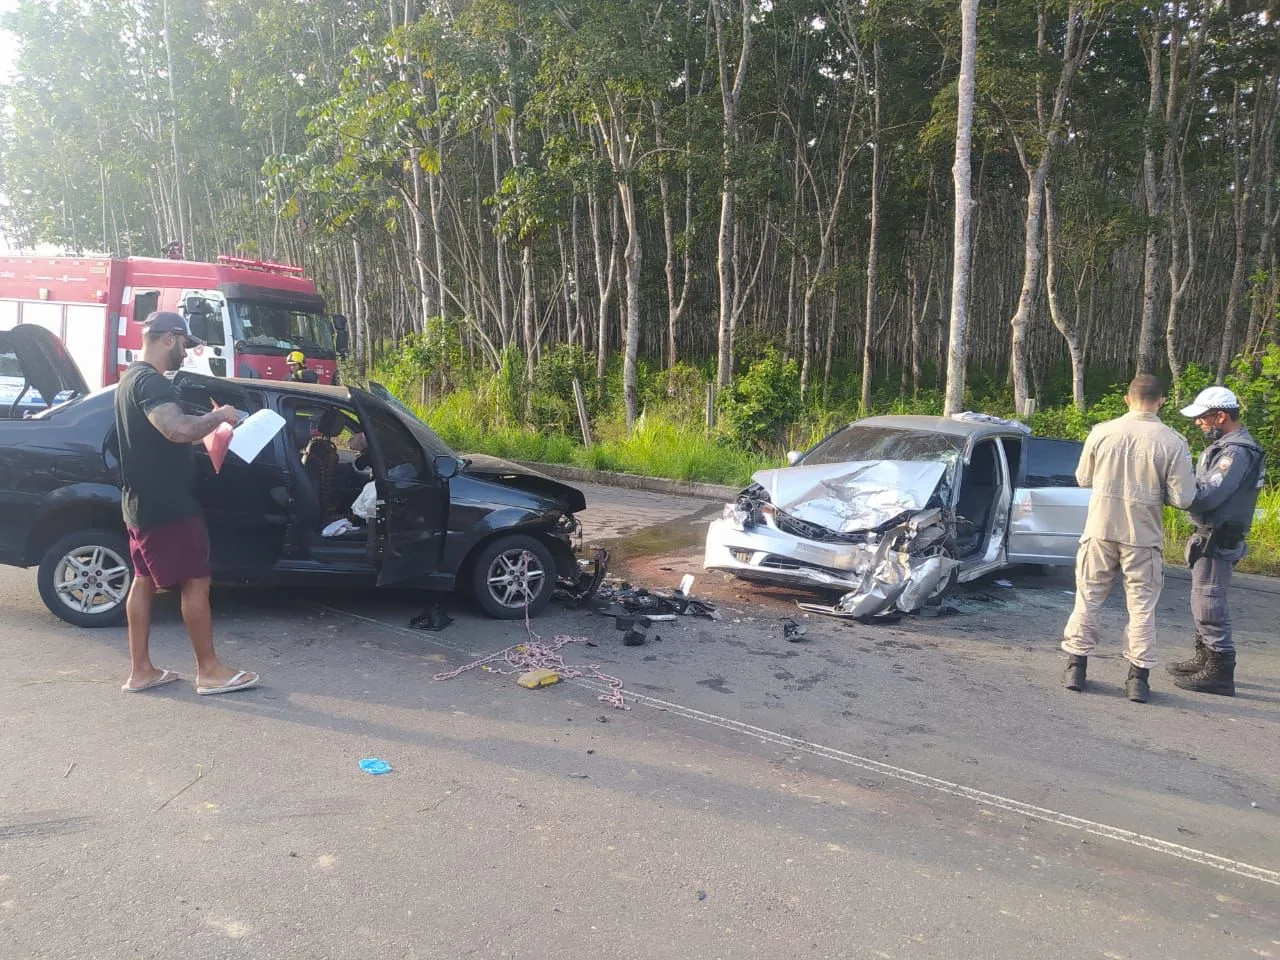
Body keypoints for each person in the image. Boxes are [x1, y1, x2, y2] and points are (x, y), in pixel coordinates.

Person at [116, 311, 259, 696]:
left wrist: (209, 431)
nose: (188, 352)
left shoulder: (130, 379)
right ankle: (209, 671)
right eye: (185, 345)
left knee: (143, 581)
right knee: (196, 581)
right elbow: (176, 429)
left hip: (140, 503)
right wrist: (220, 416)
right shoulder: (151, 382)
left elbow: (165, 434)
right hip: (168, 506)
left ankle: (141, 671)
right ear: (167, 339)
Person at [1061, 374, 1197, 702]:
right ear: (1161, 400)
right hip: (1143, 536)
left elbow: (1082, 478)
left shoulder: (1101, 432)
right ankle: (1138, 679)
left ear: (1127, 398)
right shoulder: (1172, 442)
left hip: (1099, 530)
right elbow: (1184, 498)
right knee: (1141, 608)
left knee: (1088, 598)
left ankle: (1075, 668)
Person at [1167, 387, 1266, 696]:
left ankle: (1219, 670)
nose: (1199, 423)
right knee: (1202, 600)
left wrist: (1173, 494)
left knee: (1209, 602)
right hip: (1212, 535)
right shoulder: (1227, 446)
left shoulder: (1235, 452)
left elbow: (1209, 496)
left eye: (1202, 418)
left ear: (1221, 416)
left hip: (1219, 537)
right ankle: (1205, 657)